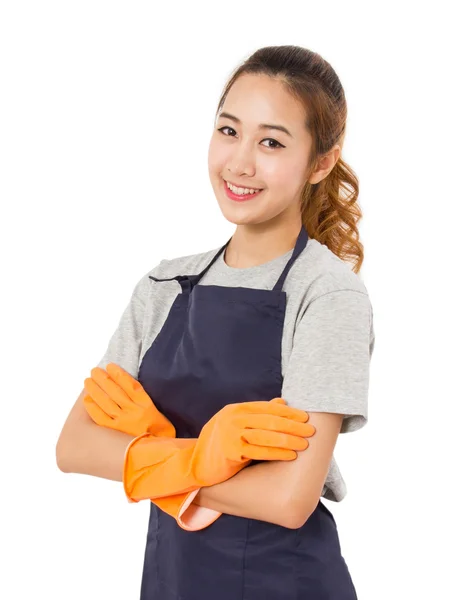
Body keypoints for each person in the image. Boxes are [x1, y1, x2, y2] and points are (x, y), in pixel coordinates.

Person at [56, 44, 375, 599]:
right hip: (171, 580)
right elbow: (75, 446)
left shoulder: (327, 295)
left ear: (320, 163)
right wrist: (201, 454)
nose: (240, 163)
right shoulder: (163, 286)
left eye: (271, 142)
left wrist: (150, 457)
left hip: (286, 584)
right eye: (229, 131)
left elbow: (289, 500)